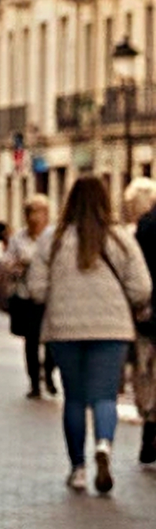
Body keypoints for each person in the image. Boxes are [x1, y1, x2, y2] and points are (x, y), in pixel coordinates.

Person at [27, 174, 152, 494]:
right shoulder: (121, 238)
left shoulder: (52, 238)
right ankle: (104, 446)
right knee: (104, 396)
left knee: (75, 398)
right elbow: (141, 288)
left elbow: (36, 290)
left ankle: (78, 468)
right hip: (111, 329)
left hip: (64, 328)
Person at [1, 194, 58, 399]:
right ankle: (34, 382)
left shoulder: (55, 237)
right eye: (31, 213)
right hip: (27, 295)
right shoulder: (18, 238)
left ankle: (50, 373)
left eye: (40, 213)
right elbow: (6, 262)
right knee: (31, 339)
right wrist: (17, 265)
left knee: (52, 339)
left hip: (50, 295)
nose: (35, 218)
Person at [124, 177, 156, 464]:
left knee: (145, 373)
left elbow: (135, 274)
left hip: (147, 314)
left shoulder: (145, 228)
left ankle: (150, 426)